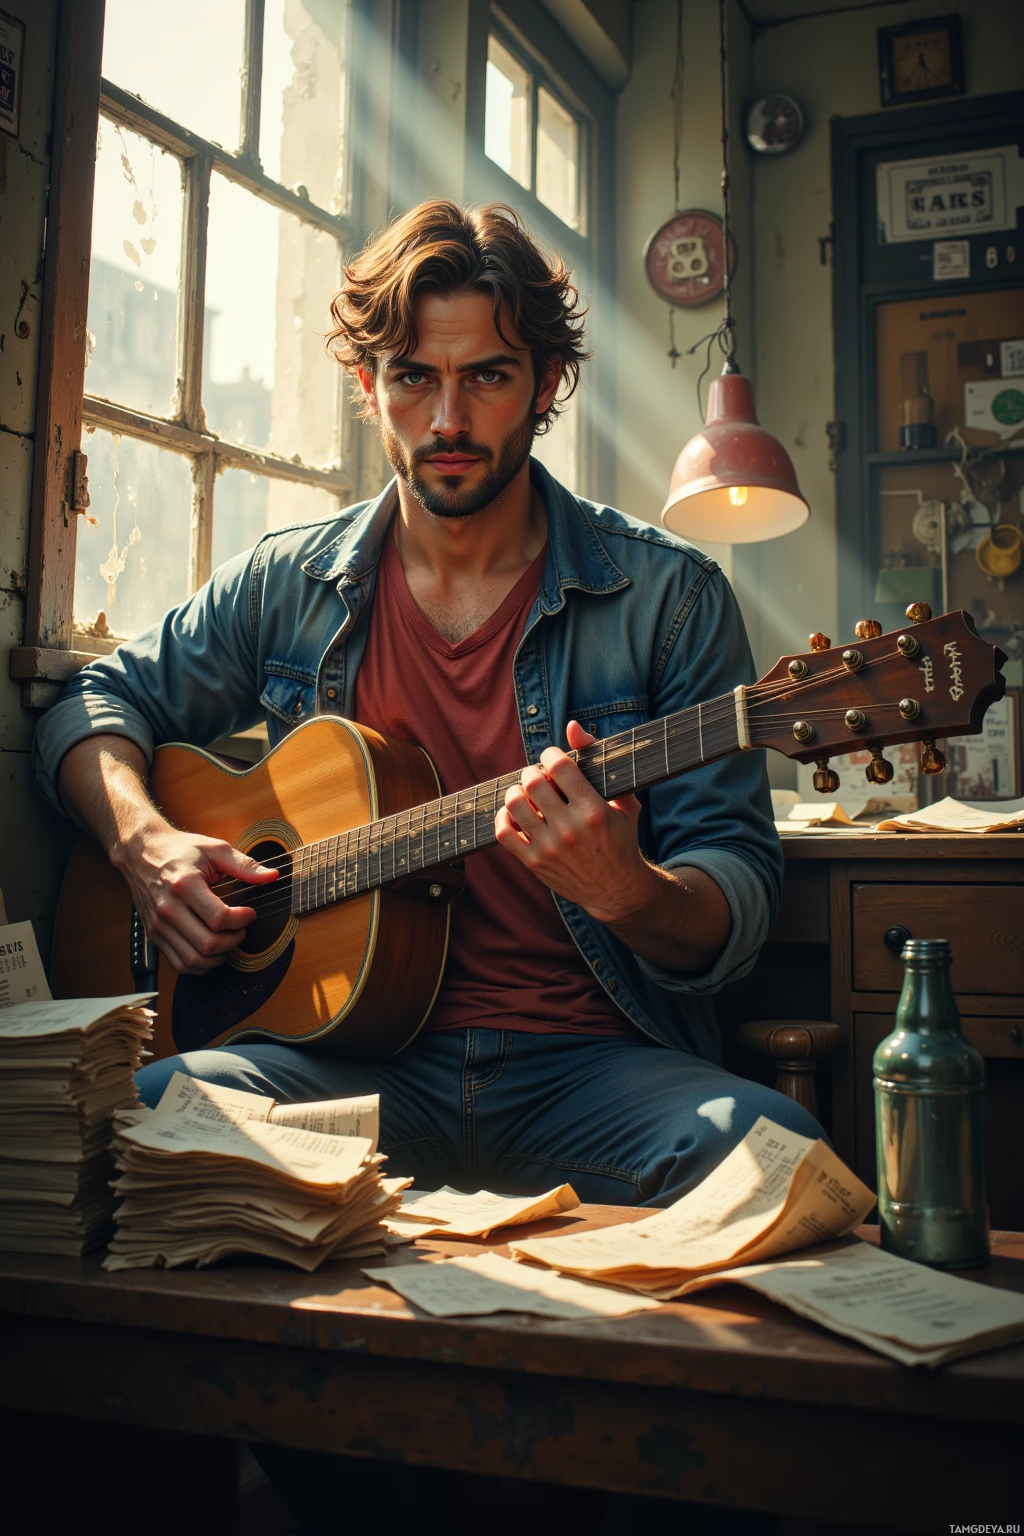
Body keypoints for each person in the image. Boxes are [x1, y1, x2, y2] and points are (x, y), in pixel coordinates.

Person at [34, 200, 821, 1209]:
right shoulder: (287, 586)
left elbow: (737, 891)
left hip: (589, 1071)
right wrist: (145, 847)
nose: (447, 421)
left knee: (782, 1158)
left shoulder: (670, 600)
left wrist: (629, 890)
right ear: (371, 389)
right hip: (337, 1072)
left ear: (544, 385)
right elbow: (93, 703)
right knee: (134, 1119)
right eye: (414, 377)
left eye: (486, 376)